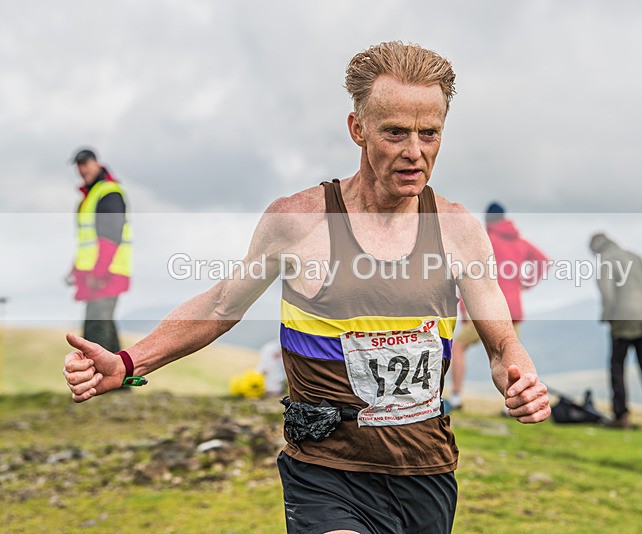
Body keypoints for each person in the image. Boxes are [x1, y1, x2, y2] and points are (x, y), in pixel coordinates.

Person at [62, 42, 550, 534]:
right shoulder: (298, 221)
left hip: (425, 472)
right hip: (325, 472)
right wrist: (128, 363)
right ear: (357, 129)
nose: (414, 152)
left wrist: (518, 374)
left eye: (429, 133)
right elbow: (219, 305)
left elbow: (501, 341)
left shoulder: (458, 229)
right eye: (395, 133)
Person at [448, 202, 548, 410]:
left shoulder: (485, 241)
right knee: (510, 356)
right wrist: (526, 282)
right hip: (513, 309)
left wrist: (466, 310)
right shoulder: (519, 243)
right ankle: (512, 403)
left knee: (457, 347)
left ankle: (456, 397)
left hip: (488, 308)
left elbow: (468, 275)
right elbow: (543, 261)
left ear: (487, 219)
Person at [589, 233, 642, 430]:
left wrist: (610, 316)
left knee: (617, 366)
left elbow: (607, 295)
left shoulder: (605, 262)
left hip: (623, 319)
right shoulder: (633, 256)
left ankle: (621, 416)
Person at [67, 148, 132, 355]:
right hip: (96, 273)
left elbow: (110, 237)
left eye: (85, 163)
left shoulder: (108, 192)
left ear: (97, 163)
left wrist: (98, 272)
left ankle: (101, 383)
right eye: (79, 165)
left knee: (96, 330)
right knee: (105, 328)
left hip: (106, 273)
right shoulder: (90, 196)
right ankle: (121, 385)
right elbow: (88, 241)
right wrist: (75, 268)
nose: (82, 168)